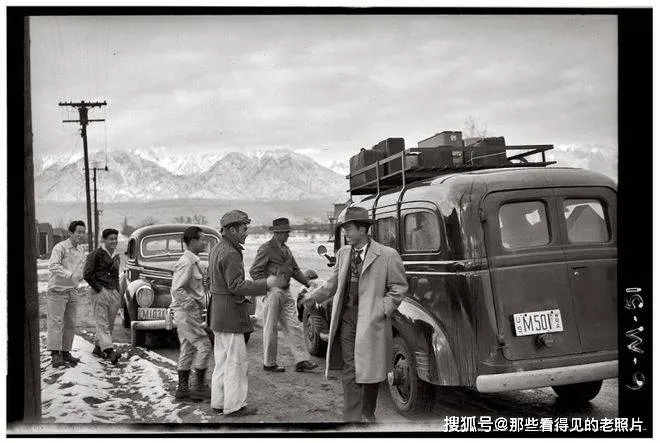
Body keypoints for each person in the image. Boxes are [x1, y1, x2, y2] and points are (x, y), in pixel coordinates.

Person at [304, 207, 408, 422]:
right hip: (348, 318)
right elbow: (333, 284)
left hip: (372, 320)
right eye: (344, 229)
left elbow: (398, 287)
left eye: (349, 229)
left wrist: (382, 309)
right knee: (350, 367)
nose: (346, 233)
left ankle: (367, 412)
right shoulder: (343, 254)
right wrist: (313, 296)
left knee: (370, 368)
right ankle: (352, 418)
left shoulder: (387, 255)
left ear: (362, 230)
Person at [208, 210, 285, 417]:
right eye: (244, 228)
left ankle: (219, 402)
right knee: (237, 363)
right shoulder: (231, 253)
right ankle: (234, 406)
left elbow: (214, 281)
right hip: (231, 315)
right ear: (232, 230)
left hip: (218, 315)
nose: (246, 232)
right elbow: (236, 285)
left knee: (222, 362)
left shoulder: (217, 249)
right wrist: (266, 284)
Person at [249, 218, 319, 373]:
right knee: (270, 328)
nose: (288, 235)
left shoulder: (286, 250)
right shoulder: (266, 249)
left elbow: (295, 270)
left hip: (286, 291)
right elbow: (254, 271)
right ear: (278, 233)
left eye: (287, 232)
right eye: (286, 232)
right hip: (272, 292)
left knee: (294, 325)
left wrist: (309, 283)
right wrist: (267, 284)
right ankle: (269, 363)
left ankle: (301, 361)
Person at [170, 226, 213, 401]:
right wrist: (192, 306)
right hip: (186, 312)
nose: (204, 243)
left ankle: (183, 390)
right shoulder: (186, 263)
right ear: (193, 241)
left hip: (186, 312)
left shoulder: (193, 262)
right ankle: (199, 387)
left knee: (188, 348)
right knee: (204, 345)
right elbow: (176, 289)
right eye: (202, 239)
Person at [47, 220, 87, 368]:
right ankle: (55, 354)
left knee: (70, 323)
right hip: (57, 290)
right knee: (56, 323)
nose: (81, 235)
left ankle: (65, 352)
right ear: (71, 233)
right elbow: (53, 265)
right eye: (79, 232)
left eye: (83, 232)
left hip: (72, 291)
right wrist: (69, 275)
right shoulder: (60, 247)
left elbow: (81, 268)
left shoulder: (81, 250)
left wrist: (80, 277)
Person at [84, 228, 122, 365]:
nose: (114, 241)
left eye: (115, 239)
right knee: (102, 323)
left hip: (113, 292)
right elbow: (87, 274)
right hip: (99, 292)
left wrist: (118, 292)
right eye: (111, 239)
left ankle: (98, 348)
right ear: (104, 240)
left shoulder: (116, 256)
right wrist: (99, 289)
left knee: (109, 323)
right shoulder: (95, 254)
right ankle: (109, 351)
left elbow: (116, 277)